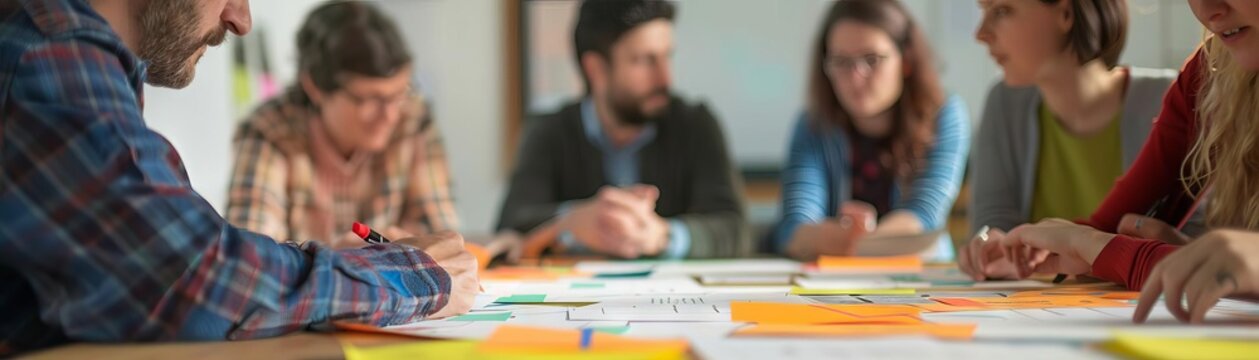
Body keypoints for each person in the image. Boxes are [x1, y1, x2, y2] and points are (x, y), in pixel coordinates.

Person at [0, 0, 476, 355]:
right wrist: (407, 274)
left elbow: (196, 259)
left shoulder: (73, 60)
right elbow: (203, 276)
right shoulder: (48, 61)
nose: (241, 20)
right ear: (317, 89)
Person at [962, 0, 1259, 325]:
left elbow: (1229, 266)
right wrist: (1051, 248)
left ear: (1066, 14)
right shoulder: (1209, 74)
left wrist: (1093, 246)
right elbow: (1105, 231)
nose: (1206, 10)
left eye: (1002, 11)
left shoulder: (1186, 84)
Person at [495, 0, 750, 259]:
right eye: (644, 60)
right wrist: (573, 221)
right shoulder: (548, 131)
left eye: (667, 56)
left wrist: (664, 236)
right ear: (596, 69)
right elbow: (511, 223)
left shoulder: (696, 125)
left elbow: (736, 229)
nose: (665, 78)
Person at [226, 1, 458, 248]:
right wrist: (337, 262)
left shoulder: (413, 119)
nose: (390, 115)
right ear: (314, 87)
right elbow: (251, 254)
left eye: (400, 92)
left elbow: (442, 240)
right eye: (369, 99)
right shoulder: (269, 131)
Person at [965, 0, 1178, 256]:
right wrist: (991, 245)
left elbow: (1190, 238)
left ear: (1066, 14)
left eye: (1002, 10)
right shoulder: (1003, 102)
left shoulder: (1173, 99)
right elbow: (993, 223)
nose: (980, 34)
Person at [773, 0, 970, 261]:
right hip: (833, 278)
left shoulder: (943, 115)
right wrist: (828, 238)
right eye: (841, 61)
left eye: (872, 59)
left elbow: (924, 216)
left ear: (906, 60)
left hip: (921, 273)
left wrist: (860, 242)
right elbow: (795, 228)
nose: (855, 77)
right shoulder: (813, 124)